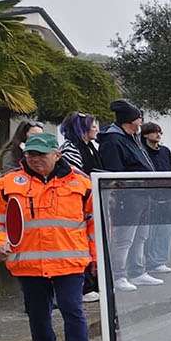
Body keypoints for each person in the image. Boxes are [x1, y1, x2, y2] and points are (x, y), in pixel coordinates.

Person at [0, 131, 97, 341]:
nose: (35, 159)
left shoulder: (81, 183)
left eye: (41, 154)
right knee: (38, 315)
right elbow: (0, 222)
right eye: (30, 153)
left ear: (57, 154)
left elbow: (93, 223)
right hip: (28, 263)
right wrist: (0, 244)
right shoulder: (8, 184)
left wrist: (96, 259)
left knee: (73, 311)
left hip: (69, 262)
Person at [99, 99, 160, 291]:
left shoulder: (131, 138)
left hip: (142, 195)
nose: (141, 121)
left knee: (141, 236)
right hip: (128, 197)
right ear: (129, 120)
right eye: (138, 118)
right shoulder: (113, 140)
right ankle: (119, 275)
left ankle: (138, 271)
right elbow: (114, 172)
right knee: (124, 239)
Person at [58, 113, 101, 302]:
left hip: (93, 202)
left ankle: (94, 282)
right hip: (78, 205)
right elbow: (76, 178)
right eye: (93, 125)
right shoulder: (70, 149)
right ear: (82, 128)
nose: (97, 129)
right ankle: (84, 286)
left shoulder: (90, 147)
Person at [140, 122, 171, 275]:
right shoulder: (142, 152)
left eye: (160, 132)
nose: (158, 135)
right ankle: (149, 262)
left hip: (166, 196)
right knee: (150, 233)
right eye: (154, 132)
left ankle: (160, 260)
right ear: (146, 134)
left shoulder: (165, 151)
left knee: (166, 230)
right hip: (150, 197)